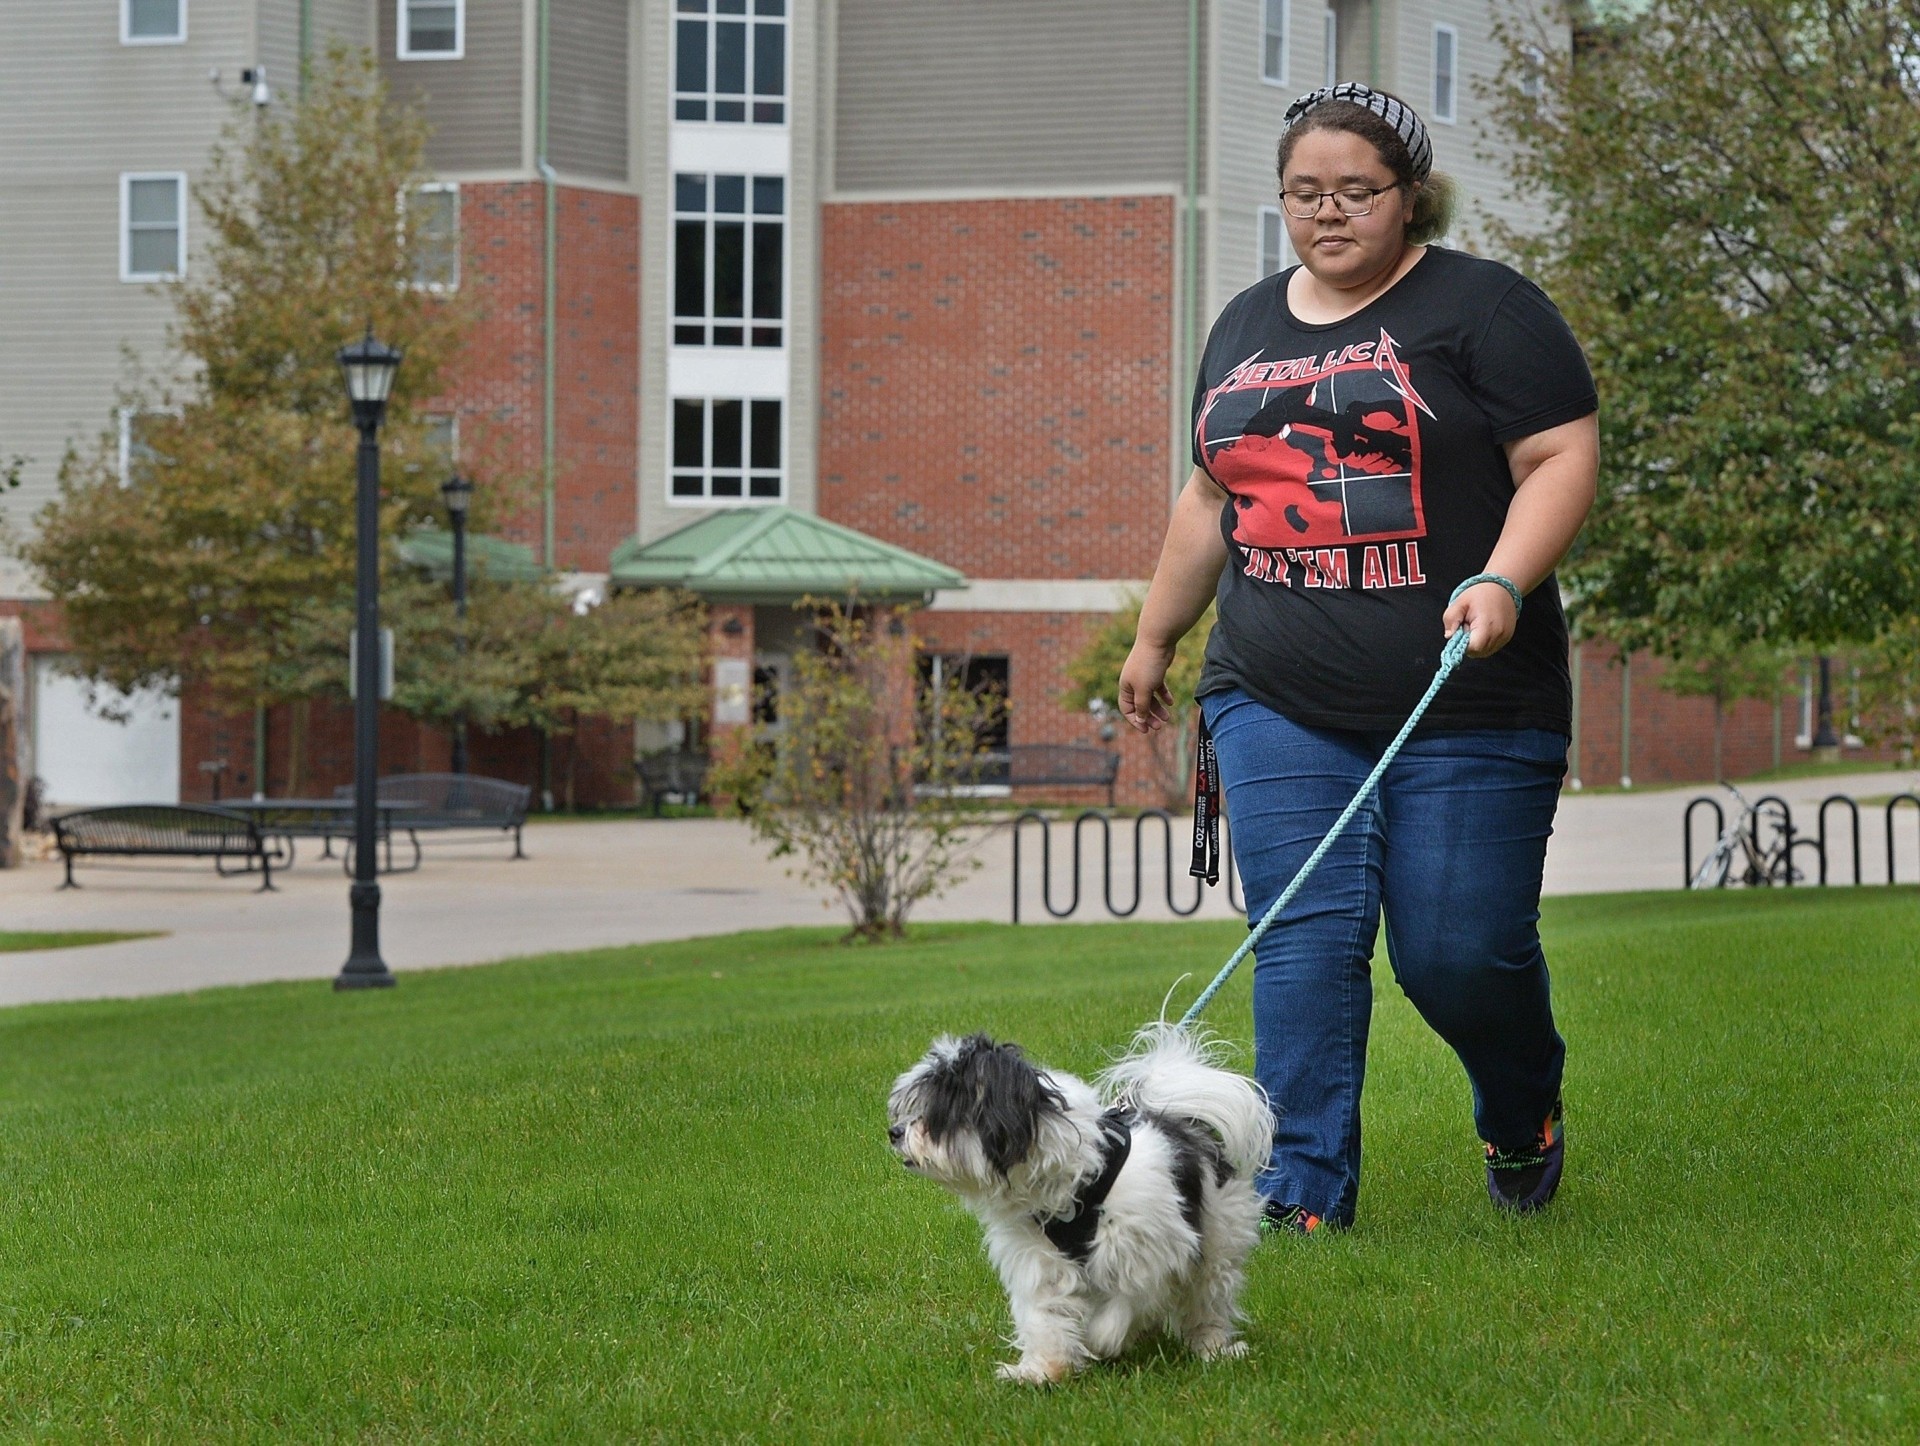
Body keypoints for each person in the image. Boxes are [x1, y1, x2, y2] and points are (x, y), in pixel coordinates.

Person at [1119, 83, 1599, 1232]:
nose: (1327, 213)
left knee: (1457, 953)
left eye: (1355, 192)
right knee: (1304, 937)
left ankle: (1521, 1109)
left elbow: (1560, 454)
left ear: (1409, 195)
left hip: (1469, 694)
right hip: (1276, 688)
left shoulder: (1486, 308)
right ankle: (1304, 1197)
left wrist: (1500, 578)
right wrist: (1154, 637)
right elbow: (1209, 494)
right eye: (1304, 192)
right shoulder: (1242, 324)